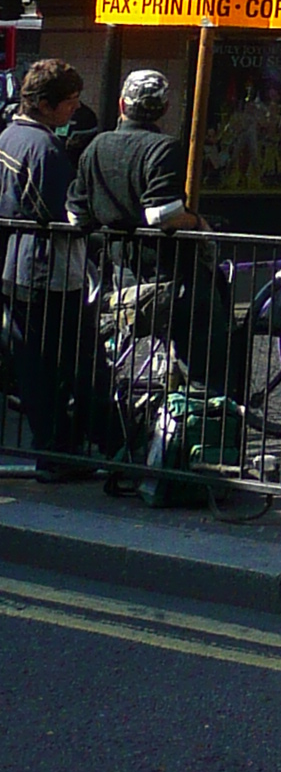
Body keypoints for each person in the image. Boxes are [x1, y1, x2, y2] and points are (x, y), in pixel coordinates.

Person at [67, 67, 239, 403]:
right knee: (207, 359)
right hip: (174, 274)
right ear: (163, 108)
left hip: (123, 272)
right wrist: (198, 222)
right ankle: (206, 422)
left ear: (121, 105)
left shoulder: (97, 146)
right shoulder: (164, 149)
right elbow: (161, 214)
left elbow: (76, 214)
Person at [0, 60, 126, 471]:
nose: (76, 108)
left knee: (34, 365)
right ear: (47, 104)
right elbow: (59, 214)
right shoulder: (45, 148)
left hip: (16, 266)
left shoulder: (8, 137)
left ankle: (54, 448)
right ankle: (90, 446)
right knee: (81, 363)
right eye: (71, 101)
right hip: (48, 271)